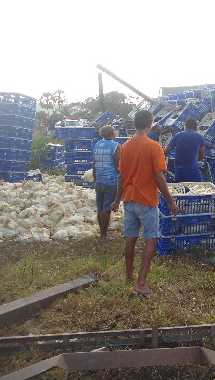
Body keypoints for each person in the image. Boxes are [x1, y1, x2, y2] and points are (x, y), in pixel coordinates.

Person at [111, 110, 178, 296]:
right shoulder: (154, 147)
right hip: (147, 200)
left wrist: (117, 200)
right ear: (150, 124)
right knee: (151, 238)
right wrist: (171, 202)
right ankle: (141, 283)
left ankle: (129, 277)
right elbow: (159, 176)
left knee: (131, 238)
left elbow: (121, 175)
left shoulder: (125, 146)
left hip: (130, 199)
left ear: (135, 124)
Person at [92, 125, 121, 240]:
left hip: (99, 180)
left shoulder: (97, 145)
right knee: (107, 208)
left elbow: (94, 164)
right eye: (114, 132)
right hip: (111, 181)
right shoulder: (115, 146)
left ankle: (101, 232)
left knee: (100, 207)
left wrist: (95, 180)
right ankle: (104, 235)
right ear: (111, 134)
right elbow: (118, 165)